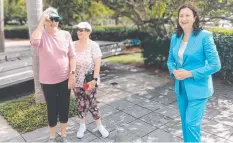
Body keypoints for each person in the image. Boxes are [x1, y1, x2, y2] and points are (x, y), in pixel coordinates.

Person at [167, 3, 221, 143]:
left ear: (195, 17)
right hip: (181, 87)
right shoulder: (175, 37)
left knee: (192, 124)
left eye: (187, 15)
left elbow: (215, 64)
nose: (183, 18)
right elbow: (170, 60)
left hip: (199, 88)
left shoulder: (205, 36)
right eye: (181, 16)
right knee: (185, 122)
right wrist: (174, 71)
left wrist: (189, 73)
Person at [30, 7, 76, 142]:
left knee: (64, 105)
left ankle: (63, 133)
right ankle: (52, 135)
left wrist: (72, 74)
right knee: (52, 107)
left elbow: (72, 56)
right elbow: (34, 42)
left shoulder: (66, 34)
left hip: (65, 78)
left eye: (56, 19)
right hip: (47, 80)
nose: (54, 22)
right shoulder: (40, 34)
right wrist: (42, 21)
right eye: (51, 19)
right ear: (45, 20)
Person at [72, 22, 109, 139]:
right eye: (78, 29)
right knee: (80, 104)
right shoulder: (72, 45)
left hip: (89, 81)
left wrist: (94, 80)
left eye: (82, 30)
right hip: (76, 81)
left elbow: (97, 64)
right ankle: (82, 126)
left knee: (92, 104)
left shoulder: (93, 45)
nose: (79, 32)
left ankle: (99, 126)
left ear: (88, 32)